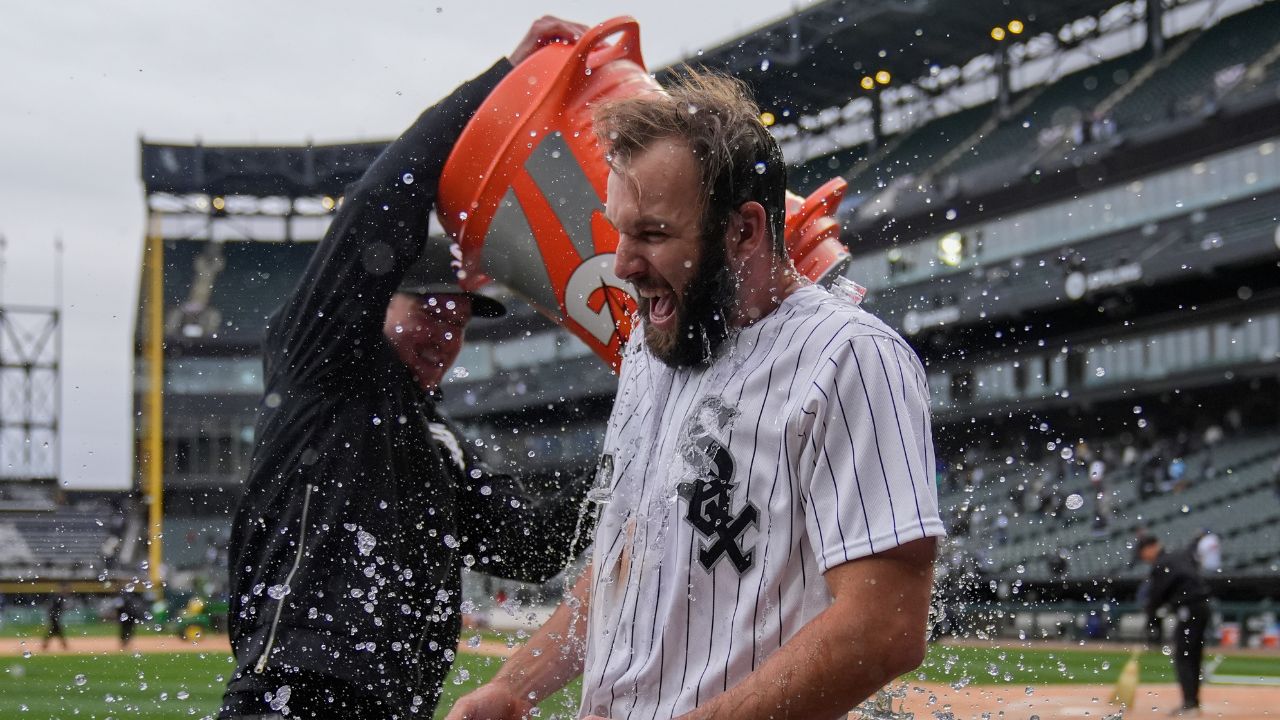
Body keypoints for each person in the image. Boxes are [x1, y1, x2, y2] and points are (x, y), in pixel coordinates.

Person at [448, 70, 944, 720]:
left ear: (743, 230)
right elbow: (628, 559)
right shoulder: (654, 347)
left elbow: (885, 625)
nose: (622, 263)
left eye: (652, 234)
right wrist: (515, 686)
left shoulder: (850, 357)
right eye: (618, 230)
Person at [219, 16, 594, 720]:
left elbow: (534, 548)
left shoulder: (438, 445)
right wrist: (499, 91)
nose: (444, 332)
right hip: (294, 697)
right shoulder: (324, 367)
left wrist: (631, 467)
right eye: (426, 308)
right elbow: (373, 211)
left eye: (459, 318)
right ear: (374, 302)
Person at [1137, 535, 1212, 716]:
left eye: (1142, 553)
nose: (1143, 558)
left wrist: (1151, 620)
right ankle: (1192, 701)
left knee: (1184, 656)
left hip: (1189, 609)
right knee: (1193, 656)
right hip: (1202, 607)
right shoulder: (1178, 556)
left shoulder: (1161, 563)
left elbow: (1157, 595)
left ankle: (1190, 704)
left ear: (1150, 548)